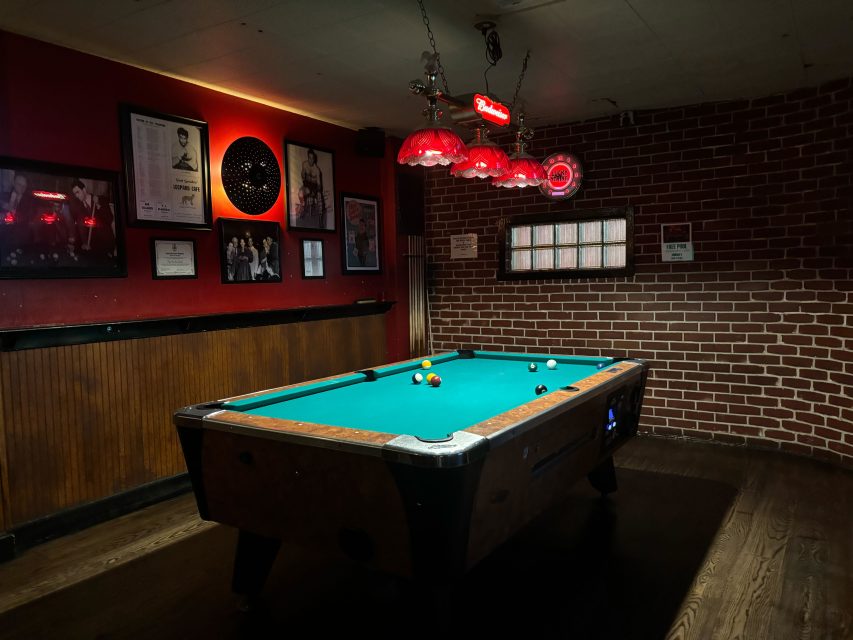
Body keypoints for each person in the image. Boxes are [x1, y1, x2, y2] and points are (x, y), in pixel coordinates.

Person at [69, 179, 115, 258]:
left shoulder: (101, 200)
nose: (76, 196)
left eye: (78, 192)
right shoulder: (79, 207)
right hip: (92, 247)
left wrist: (98, 205)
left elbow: (109, 219)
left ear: (84, 190)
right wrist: (84, 243)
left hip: (105, 245)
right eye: (75, 194)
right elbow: (80, 227)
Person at [299, 148, 326, 227]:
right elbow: (303, 177)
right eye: (309, 157)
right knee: (300, 192)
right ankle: (303, 208)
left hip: (315, 187)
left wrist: (314, 191)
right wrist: (306, 187)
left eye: (312, 158)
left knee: (320, 197)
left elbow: (319, 186)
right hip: (307, 185)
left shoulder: (317, 170)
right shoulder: (304, 164)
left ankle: (320, 219)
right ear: (308, 157)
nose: (311, 160)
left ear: (314, 159)